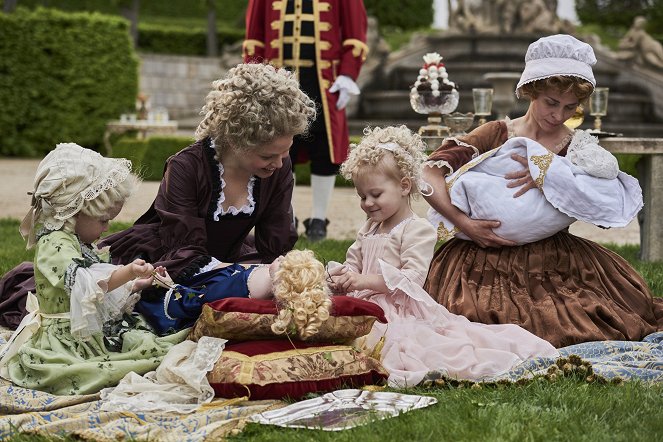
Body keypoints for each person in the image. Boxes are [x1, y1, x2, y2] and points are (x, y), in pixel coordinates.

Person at [0, 63, 317, 328]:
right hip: (162, 258)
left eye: (283, 154)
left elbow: (275, 241)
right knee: (90, 298)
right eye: (267, 156)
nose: (278, 164)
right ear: (237, 140)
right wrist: (243, 277)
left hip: (223, 260)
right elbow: (184, 247)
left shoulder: (277, 169)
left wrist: (270, 274)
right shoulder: (186, 167)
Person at [423, 34, 663, 348]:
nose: (559, 115)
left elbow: (603, 211)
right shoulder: (497, 132)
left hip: (553, 256)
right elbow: (427, 173)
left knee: (589, 312)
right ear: (531, 92)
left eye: (570, 107)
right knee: (472, 313)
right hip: (479, 254)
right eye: (551, 102)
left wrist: (553, 178)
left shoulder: (576, 148)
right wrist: (464, 223)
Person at [328, 125, 558, 387]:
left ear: (404, 186)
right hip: (364, 301)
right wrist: (344, 277)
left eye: (375, 195)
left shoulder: (416, 229)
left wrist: (363, 282)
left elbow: (412, 278)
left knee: (396, 345)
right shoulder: (369, 228)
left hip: (398, 308)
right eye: (362, 196)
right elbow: (353, 263)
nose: (367, 203)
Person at [0, 143, 189, 396]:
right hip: (66, 340)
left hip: (86, 329)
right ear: (75, 211)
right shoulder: (54, 244)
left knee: (146, 340)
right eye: (103, 220)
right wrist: (129, 271)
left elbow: (95, 293)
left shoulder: (74, 240)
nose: (108, 227)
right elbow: (87, 283)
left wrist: (137, 284)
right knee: (108, 367)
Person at [243, 0, 368, 241]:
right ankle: (284, 214)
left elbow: (355, 35)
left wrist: (347, 75)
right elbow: (254, 37)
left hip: (322, 84)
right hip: (276, 84)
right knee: (277, 150)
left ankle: (319, 219)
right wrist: (253, 77)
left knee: (323, 151)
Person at [137, 249, 333, 339]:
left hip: (197, 294)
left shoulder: (240, 290)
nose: (280, 257)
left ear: (280, 281)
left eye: (283, 262)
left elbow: (197, 301)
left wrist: (171, 288)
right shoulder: (264, 284)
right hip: (217, 277)